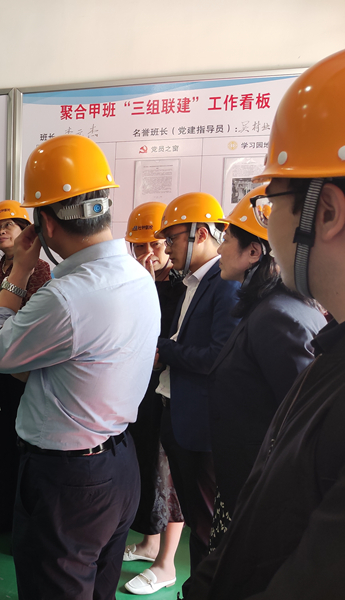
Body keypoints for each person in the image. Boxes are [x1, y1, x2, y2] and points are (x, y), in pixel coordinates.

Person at [180, 48, 345, 599]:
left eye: (273, 203)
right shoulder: (330, 350)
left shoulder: (286, 321)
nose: (267, 226)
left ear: (326, 213)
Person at [0, 134, 160, 600]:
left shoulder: (66, 297)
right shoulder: (138, 276)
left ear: (46, 225)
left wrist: (19, 272)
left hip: (68, 481)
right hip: (120, 465)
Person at [207, 186, 325, 549]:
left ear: (254, 252)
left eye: (227, 239)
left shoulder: (278, 317)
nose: (219, 249)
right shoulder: (269, 308)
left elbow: (300, 425)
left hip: (259, 497)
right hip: (246, 485)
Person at [152, 192, 241, 574]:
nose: (166, 247)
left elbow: (216, 357)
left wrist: (163, 349)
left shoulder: (225, 283)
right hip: (177, 412)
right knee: (193, 516)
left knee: (205, 526)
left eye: (171, 239)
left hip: (201, 425)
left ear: (200, 234)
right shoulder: (194, 282)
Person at [0, 200, 50, 538]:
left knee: (26, 451)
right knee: (1, 446)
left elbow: (32, 322)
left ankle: (24, 524)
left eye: (9, 225)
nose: (1, 231)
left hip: (27, 372)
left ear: (25, 232)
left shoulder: (41, 270)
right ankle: (1, 516)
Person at [121, 202, 186, 595]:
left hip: (166, 389)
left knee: (168, 473)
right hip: (137, 387)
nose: (149, 253)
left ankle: (167, 563)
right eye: (140, 246)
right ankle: (149, 543)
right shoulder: (132, 281)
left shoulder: (184, 286)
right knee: (146, 464)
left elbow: (166, 339)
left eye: (156, 244)